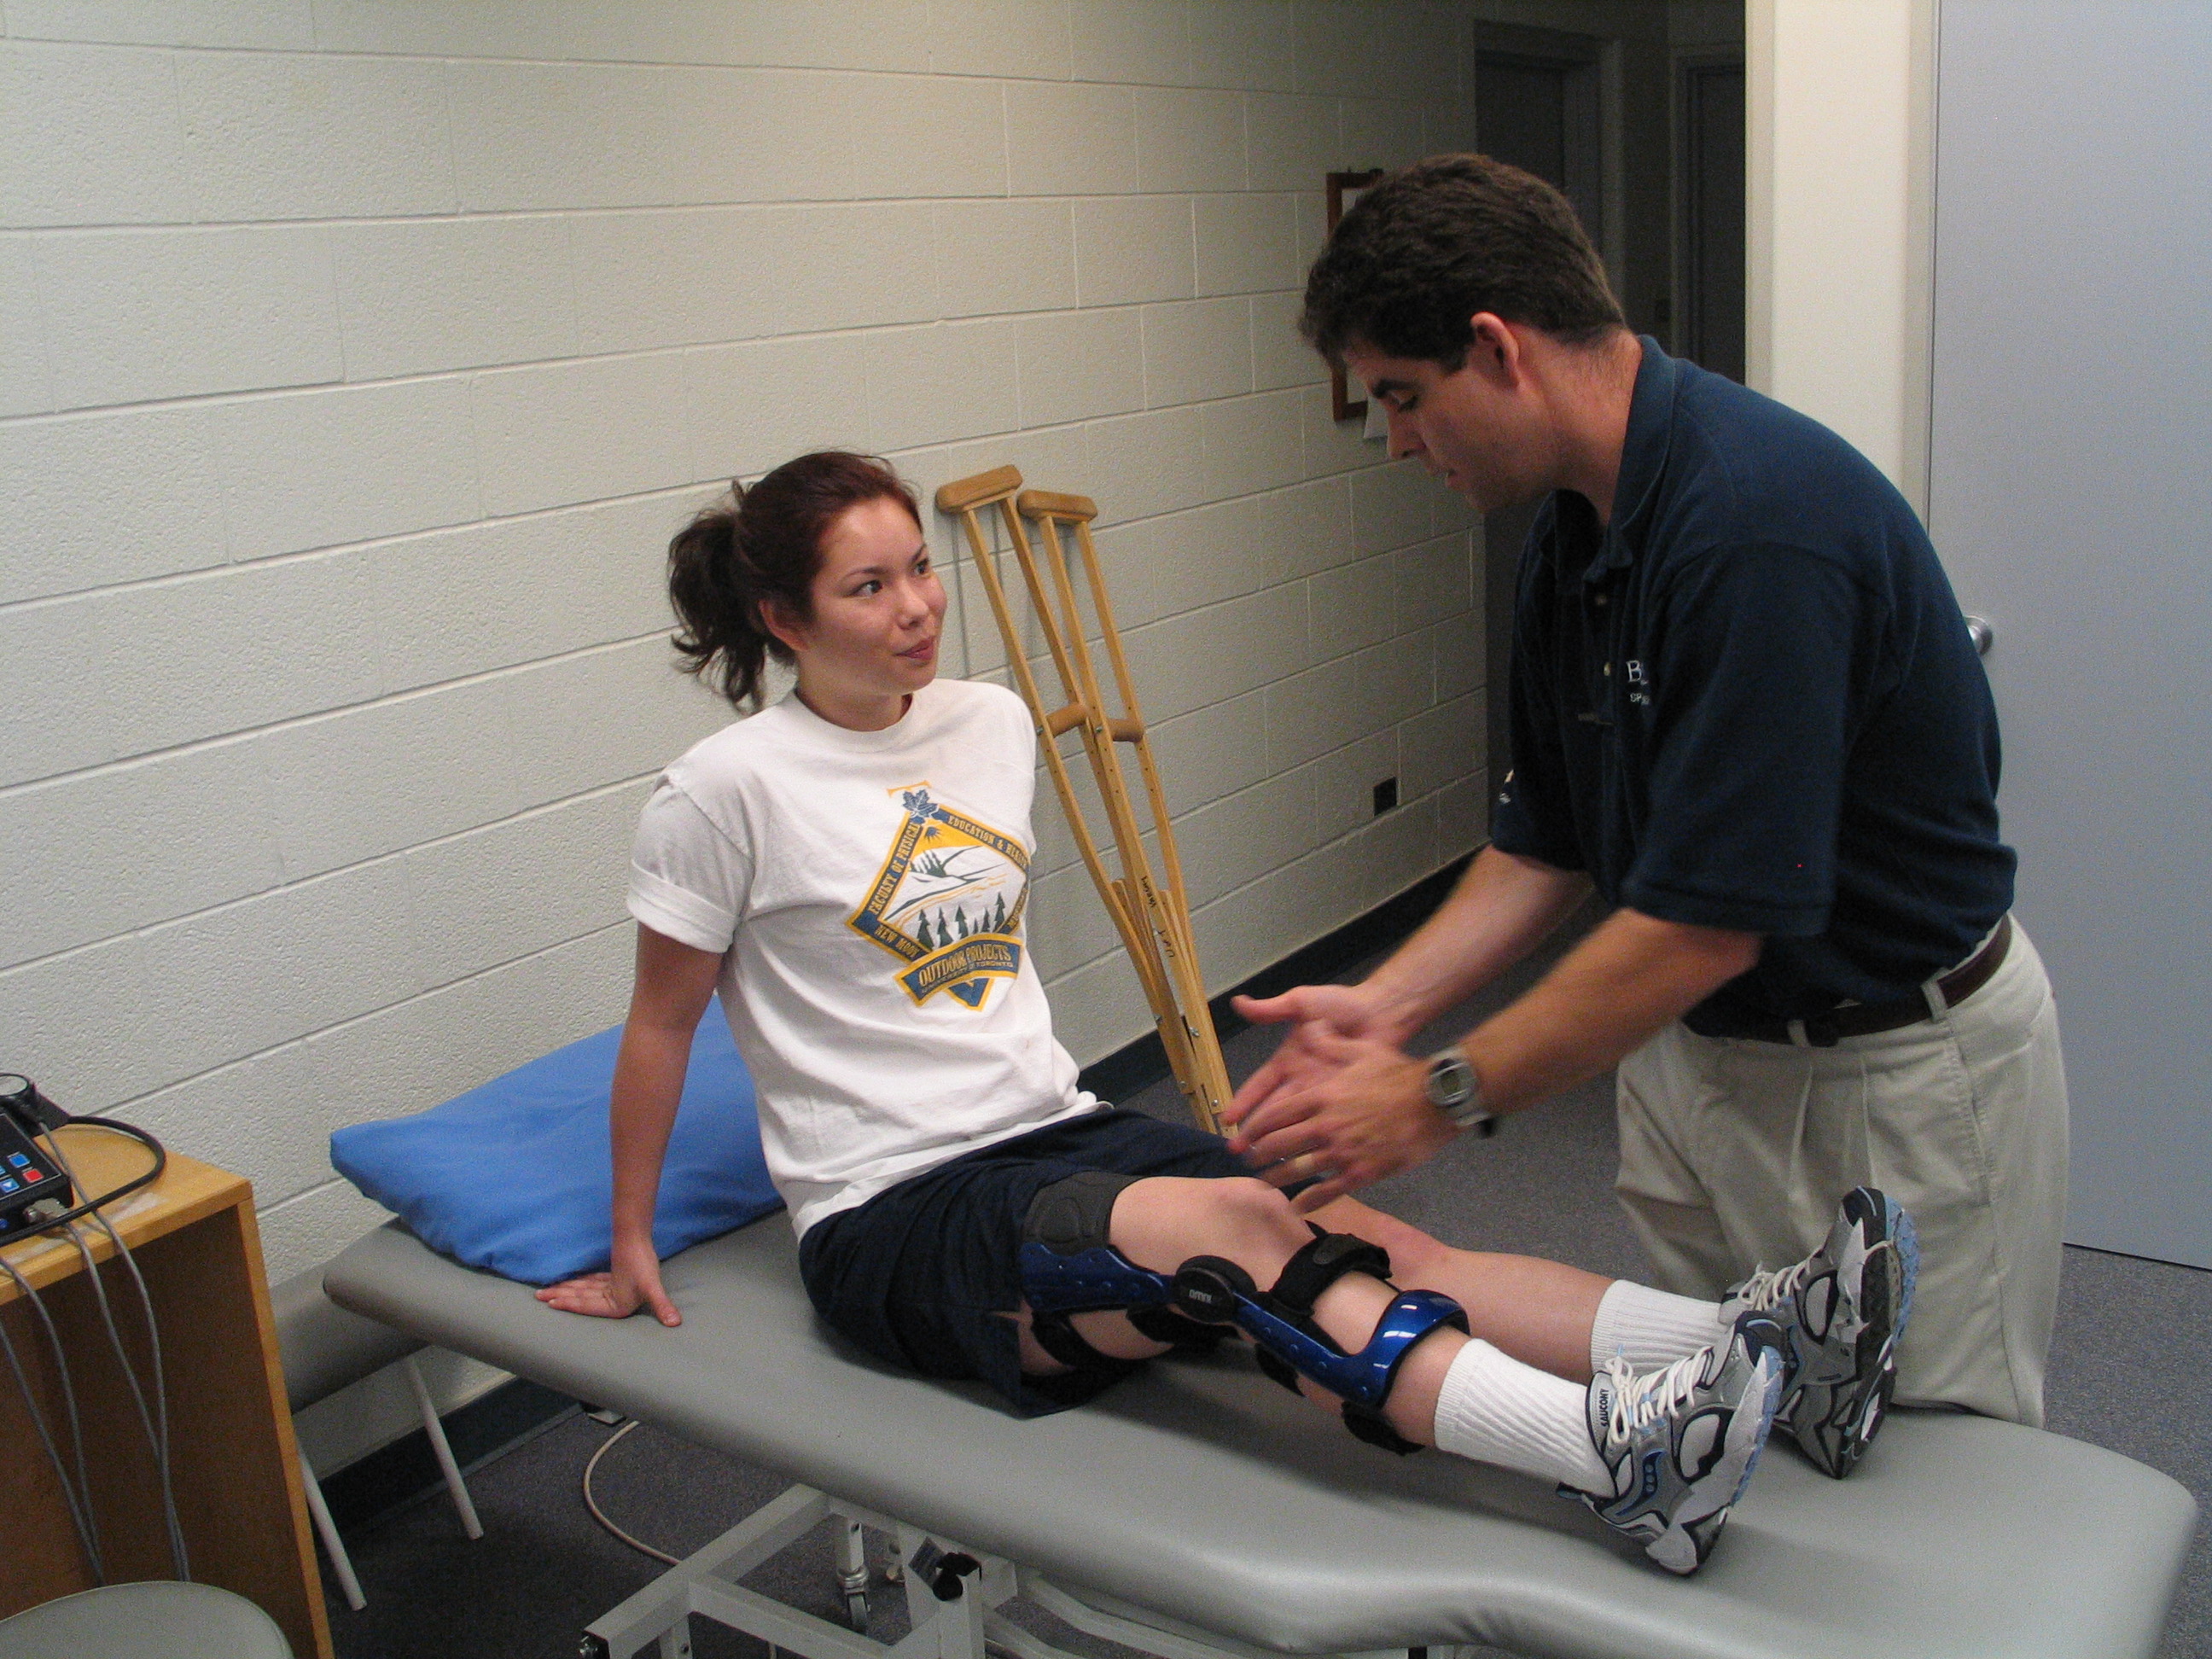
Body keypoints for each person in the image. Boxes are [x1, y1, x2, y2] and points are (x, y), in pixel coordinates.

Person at [531, 449, 1914, 1575]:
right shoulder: (722, 792)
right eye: (868, 586)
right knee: (1242, 1244)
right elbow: (662, 1026)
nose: (916, 608)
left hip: (1054, 1129)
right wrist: (636, 1238)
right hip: (897, 1215)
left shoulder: (989, 723)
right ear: (782, 620)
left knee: (1364, 1232)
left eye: (919, 571)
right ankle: (1620, 1463)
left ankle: (1753, 1346)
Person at [1227, 154, 2063, 1435]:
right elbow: (1545, 838)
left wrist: (1440, 1091)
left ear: (1498, 348)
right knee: (1732, 1419)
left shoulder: (1751, 527)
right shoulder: (1572, 533)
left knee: (1925, 1485)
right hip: (1702, 1066)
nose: (1394, 440)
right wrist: (1385, 1004)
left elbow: (1706, 920)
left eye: (1404, 395)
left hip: (1889, 1081)